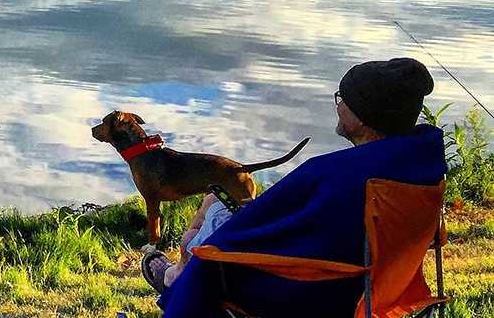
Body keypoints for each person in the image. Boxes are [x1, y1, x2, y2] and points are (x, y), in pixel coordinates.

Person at [146, 58, 447, 317]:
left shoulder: (334, 173)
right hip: (381, 285)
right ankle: (177, 274)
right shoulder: (420, 168)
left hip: (316, 292)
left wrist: (218, 237)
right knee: (215, 211)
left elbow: (247, 229)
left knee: (213, 222)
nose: (338, 105)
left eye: (343, 98)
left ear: (363, 116)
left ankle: (177, 278)